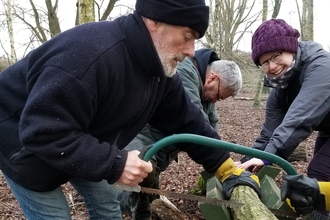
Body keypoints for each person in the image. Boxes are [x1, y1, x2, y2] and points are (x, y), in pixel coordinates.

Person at [0, 0, 260, 219]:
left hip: (79, 140)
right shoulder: (91, 57)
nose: (192, 51)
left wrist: (226, 168)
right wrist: (115, 163)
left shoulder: (159, 70)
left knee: (107, 205)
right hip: (23, 148)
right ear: (155, 21)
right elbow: (41, 132)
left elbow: (186, 119)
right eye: (187, 36)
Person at [119, 48, 243, 219]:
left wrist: (223, 160)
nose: (214, 101)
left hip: (159, 146)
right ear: (213, 78)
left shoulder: (206, 89)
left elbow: (211, 124)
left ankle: (151, 208)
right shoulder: (185, 72)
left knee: (150, 189)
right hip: (142, 139)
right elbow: (194, 120)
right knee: (141, 178)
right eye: (218, 96)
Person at [235, 18, 330, 217]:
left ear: (291, 48)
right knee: (320, 179)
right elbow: (268, 133)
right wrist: (246, 163)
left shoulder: (321, 67)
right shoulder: (280, 88)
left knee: (319, 174)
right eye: (264, 62)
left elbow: (299, 120)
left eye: (276, 56)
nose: (272, 66)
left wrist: (267, 158)